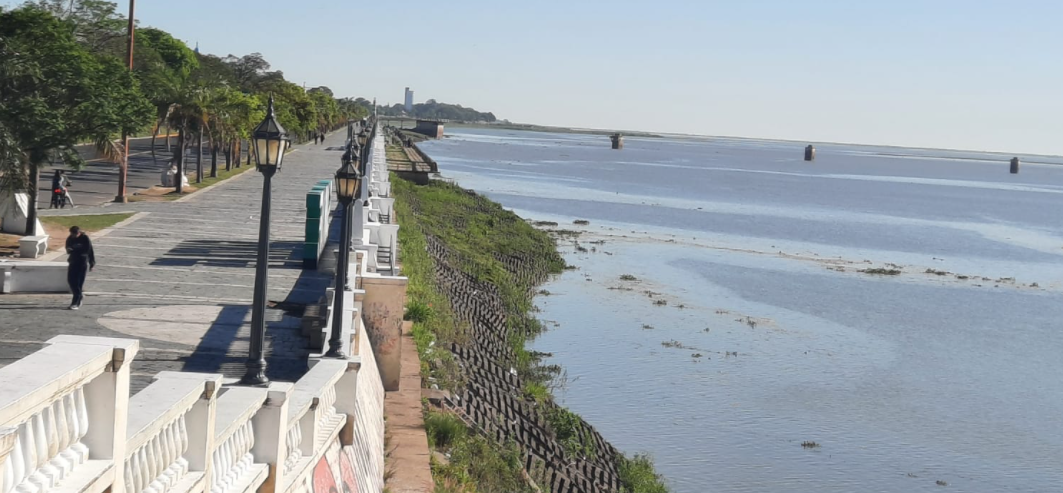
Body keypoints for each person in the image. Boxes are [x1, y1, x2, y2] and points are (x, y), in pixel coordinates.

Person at [65, 226, 95, 310]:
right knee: (71, 280)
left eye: (75, 234)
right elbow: (67, 248)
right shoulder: (70, 238)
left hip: (82, 262)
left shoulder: (85, 238)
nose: (74, 236)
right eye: (72, 234)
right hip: (73, 261)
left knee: (78, 283)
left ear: (79, 232)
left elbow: (90, 251)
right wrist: (69, 250)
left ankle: (76, 302)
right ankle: (79, 296)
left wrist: (92, 263)